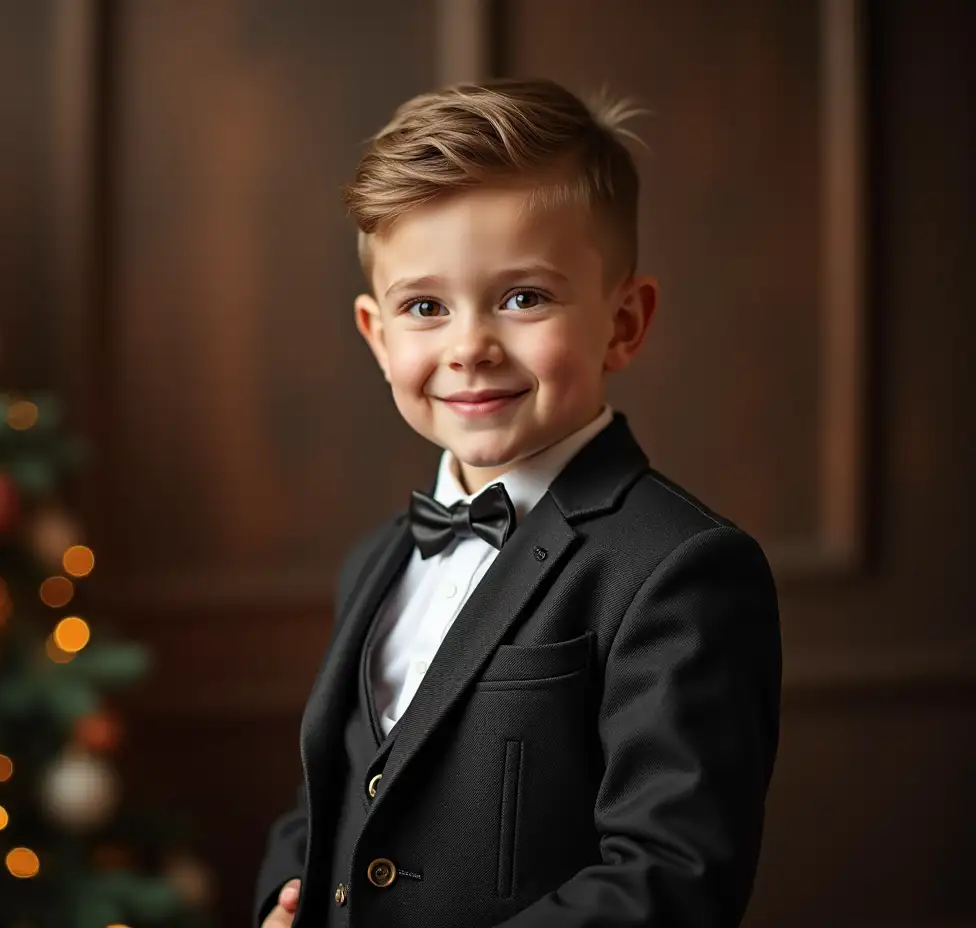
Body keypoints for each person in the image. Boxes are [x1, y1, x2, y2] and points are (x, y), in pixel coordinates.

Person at [254, 77, 781, 928]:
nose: (469, 346)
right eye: (424, 307)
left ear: (624, 322)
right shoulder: (374, 561)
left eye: (522, 297)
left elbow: (671, 877)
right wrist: (285, 901)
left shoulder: (681, 568)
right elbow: (334, 791)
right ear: (375, 336)